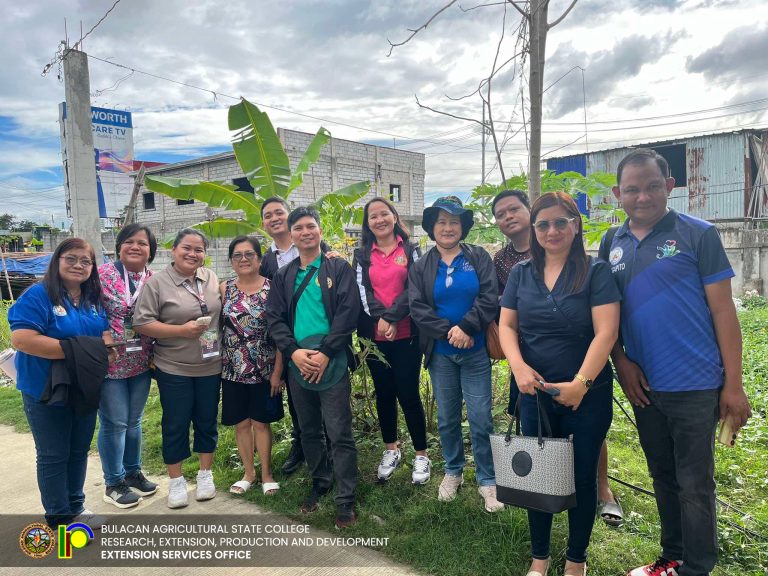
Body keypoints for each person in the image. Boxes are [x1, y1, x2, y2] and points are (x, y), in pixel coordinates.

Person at [602, 149, 752, 576]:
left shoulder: (697, 234)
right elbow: (606, 314)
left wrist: (734, 385)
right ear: (617, 194)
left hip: (695, 382)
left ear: (670, 187)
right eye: (632, 189)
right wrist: (622, 363)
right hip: (643, 384)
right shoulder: (612, 243)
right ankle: (672, 557)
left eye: (652, 186)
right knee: (662, 475)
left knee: (694, 483)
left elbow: (724, 312)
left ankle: (697, 567)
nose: (642, 196)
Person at [498, 191, 620, 576]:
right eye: (543, 224)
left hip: (587, 395)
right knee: (539, 475)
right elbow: (507, 325)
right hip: (534, 393)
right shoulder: (521, 273)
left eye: (560, 222)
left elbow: (606, 332)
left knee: (583, 476)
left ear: (576, 223)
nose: (552, 231)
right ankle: (539, 557)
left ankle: (576, 560)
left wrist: (581, 383)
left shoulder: (595, 271)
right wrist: (517, 367)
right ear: (534, 230)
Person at [266, 206, 361, 529]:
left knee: (339, 431)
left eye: (311, 226)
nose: (305, 232)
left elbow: (349, 313)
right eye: (299, 228)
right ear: (291, 235)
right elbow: (275, 318)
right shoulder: (285, 274)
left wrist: (324, 353)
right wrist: (292, 353)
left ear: (320, 230)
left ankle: (346, 497)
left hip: (331, 361)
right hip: (297, 364)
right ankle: (320, 480)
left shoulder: (337, 267)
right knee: (308, 429)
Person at [408, 195, 503, 513]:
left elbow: (490, 296)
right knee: (447, 418)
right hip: (441, 353)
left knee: (481, 418)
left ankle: (488, 480)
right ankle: (453, 471)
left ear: (463, 227)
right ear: (432, 227)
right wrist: (449, 331)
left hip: (475, 351)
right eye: (442, 222)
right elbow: (417, 306)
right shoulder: (422, 265)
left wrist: (467, 327)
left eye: (454, 222)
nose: (448, 227)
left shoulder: (478, 258)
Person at [9, 238, 113, 527]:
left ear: (93, 267)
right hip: (45, 389)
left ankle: (76, 506)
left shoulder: (93, 299)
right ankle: (59, 517)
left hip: (83, 386)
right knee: (54, 454)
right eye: (71, 258)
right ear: (57, 261)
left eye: (86, 261)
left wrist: (102, 345)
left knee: (79, 449)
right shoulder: (38, 295)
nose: (79, 265)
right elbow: (23, 339)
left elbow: (103, 334)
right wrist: (80, 350)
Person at [132, 228, 223, 509]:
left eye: (199, 250)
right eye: (187, 248)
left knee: (207, 420)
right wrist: (180, 331)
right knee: (175, 423)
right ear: (174, 249)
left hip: (210, 365)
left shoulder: (210, 277)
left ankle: (205, 475)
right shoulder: (157, 283)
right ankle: (176, 481)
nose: (192, 254)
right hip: (174, 367)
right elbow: (141, 323)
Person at [352, 197, 430, 484]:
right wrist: (381, 319)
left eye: (384, 213)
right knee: (384, 393)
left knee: (408, 393)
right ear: (367, 223)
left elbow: (416, 286)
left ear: (395, 216)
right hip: (374, 337)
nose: (379, 220)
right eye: (373, 216)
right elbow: (362, 291)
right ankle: (391, 449)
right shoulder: (361, 254)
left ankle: (421, 455)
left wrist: (393, 317)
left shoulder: (411, 249)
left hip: (408, 334)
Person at [97, 224, 159, 508]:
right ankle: (114, 482)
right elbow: (88, 309)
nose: (136, 247)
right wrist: (103, 335)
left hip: (141, 360)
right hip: (110, 363)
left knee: (134, 421)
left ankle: (133, 472)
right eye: (129, 242)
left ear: (151, 250)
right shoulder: (101, 275)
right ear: (119, 246)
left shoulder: (154, 279)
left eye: (142, 243)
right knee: (115, 423)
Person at [221, 235, 284, 496]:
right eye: (237, 255)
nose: (243, 259)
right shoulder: (225, 289)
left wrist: (278, 372)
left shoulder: (273, 288)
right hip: (232, 368)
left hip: (265, 368)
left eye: (249, 254)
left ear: (259, 259)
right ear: (231, 260)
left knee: (261, 422)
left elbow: (282, 332)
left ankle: (267, 474)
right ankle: (249, 473)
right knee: (241, 423)